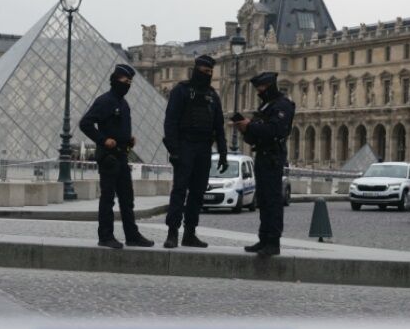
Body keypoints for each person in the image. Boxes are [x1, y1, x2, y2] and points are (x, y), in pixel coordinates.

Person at [78, 64, 154, 249]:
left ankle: (132, 235)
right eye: (125, 81)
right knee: (108, 198)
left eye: (130, 82)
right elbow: (85, 123)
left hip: (122, 156)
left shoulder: (123, 103)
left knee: (127, 199)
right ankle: (105, 236)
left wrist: (129, 140)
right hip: (109, 158)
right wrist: (103, 140)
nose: (128, 84)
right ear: (115, 79)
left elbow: (118, 128)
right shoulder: (105, 101)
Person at [162, 54, 228, 249]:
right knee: (179, 191)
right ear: (196, 69)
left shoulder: (212, 96)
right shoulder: (181, 91)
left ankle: (190, 232)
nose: (207, 74)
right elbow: (170, 122)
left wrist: (223, 153)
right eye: (205, 71)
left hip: (204, 148)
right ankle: (172, 232)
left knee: (198, 193)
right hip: (185, 146)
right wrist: (174, 150)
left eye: (210, 72)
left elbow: (219, 127)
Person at [233, 72, 295, 257]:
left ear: (269, 85)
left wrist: (250, 126)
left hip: (273, 156)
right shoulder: (266, 106)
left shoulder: (283, 105)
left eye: (261, 88)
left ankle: (273, 242)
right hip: (262, 155)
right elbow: (254, 137)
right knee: (263, 199)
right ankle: (263, 238)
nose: (259, 91)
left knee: (273, 200)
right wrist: (245, 129)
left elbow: (275, 130)